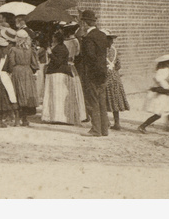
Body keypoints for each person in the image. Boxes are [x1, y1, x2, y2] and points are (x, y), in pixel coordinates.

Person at [77, 9, 109, 137]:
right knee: (102, 101)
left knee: (93, 101)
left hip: (92, 73)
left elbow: (90, 56)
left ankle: (96, 129)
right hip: (103, 72)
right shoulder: (102, 35)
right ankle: (104, 129)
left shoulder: (88, 38)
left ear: (85, 23)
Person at [42, 29, 80, 125]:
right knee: (58, 95)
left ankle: (58, 117)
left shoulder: (60, 48)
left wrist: (50, 53)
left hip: (58, 74)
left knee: (57, 95)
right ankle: (57, 116)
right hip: (58, 73)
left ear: (56, 39)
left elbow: (58, 62)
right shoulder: (60, 47)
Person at [138, 54, 169, 133]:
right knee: (159, 113)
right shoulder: (163, 70)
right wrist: (167, 87)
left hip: (165, 94)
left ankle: (167, 126)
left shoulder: (168, 69)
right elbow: (159, 79)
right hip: (160, 95)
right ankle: (142, 126)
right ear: (167, 63)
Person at [8, 29, 39, 126]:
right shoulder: (31, 50)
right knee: (26, 95)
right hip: (27, 72)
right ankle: (25, 119)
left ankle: (17, 119)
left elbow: (11, 63)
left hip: (17, 71)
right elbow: (35, 64)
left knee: (17, 94)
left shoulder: (13, 50)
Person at [104, 32, 129, 130]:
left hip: (106, 76)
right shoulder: (115, 50)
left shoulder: (102, 51)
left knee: (104, 97)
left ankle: (106, 121)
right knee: (115, 98)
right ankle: (117, 122)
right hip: (115, 75)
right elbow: (118, 65)